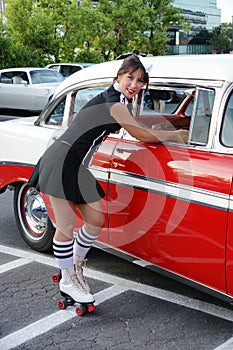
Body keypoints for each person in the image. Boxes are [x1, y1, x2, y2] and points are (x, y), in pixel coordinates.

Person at [28, 55, 188, 305]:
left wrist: (173, 120)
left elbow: (135, 123)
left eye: (140, 81)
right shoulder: (114, 103)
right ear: (119, 76)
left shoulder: (116, 100)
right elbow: (140, 134)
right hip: (63, 159)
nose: (134, 84)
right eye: (130, 78)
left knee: (95, 219)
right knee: (66, 224)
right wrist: (176, 135)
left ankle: (76, 266)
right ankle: (67, 279)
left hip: (77, 163)